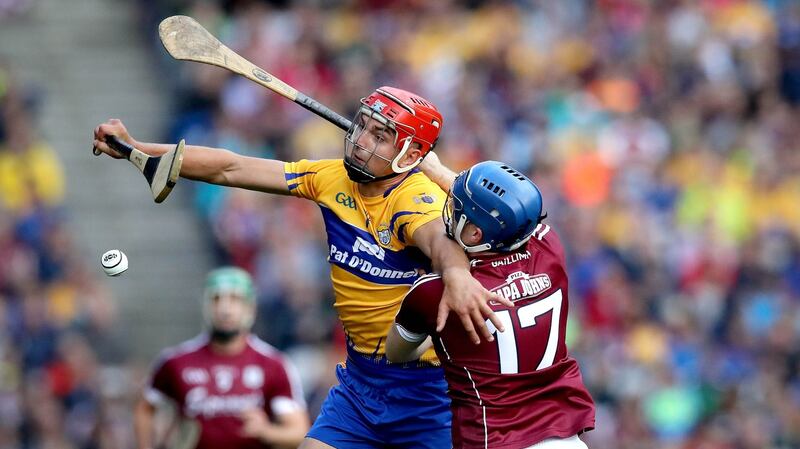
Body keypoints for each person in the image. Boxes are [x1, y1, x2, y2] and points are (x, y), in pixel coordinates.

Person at [95, 86, 511, 449]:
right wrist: (139, 148)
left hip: (427, 392)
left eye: (381, 136)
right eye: (362, 125)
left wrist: (456, 276)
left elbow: (440, 240)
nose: (362, 141)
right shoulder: (331, 179)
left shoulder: (414, 198)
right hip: (360, 384)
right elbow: (232, 167)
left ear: (412, 154)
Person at [386, 160, 596, 449]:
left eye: (458, 210)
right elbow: (517, 216)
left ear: (475, 235)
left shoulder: (434, 292)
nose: (451, 213)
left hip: (494, 439)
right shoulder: (549, 247)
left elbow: (396, 353)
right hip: (565, 440)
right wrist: (436, 169)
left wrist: (439, 334)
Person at [134, 267, 309, 449]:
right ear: (205, 305)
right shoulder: (175, 362)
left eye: (235, 299)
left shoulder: (274, 364)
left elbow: (299, 432)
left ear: (250, 307)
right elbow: (145, 409)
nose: (225, 309)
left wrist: (266, 431)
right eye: (216, 299)